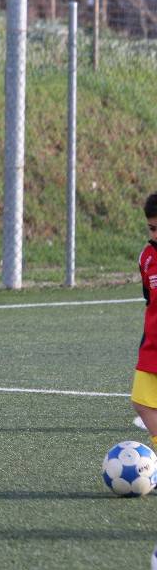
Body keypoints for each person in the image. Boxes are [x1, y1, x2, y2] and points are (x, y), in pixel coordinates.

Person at [130, 192, 157, 451]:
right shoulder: (147, 258)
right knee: (141, 400)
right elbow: (149, 299)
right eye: (152, 228)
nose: (155, 234)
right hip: (152, 344)